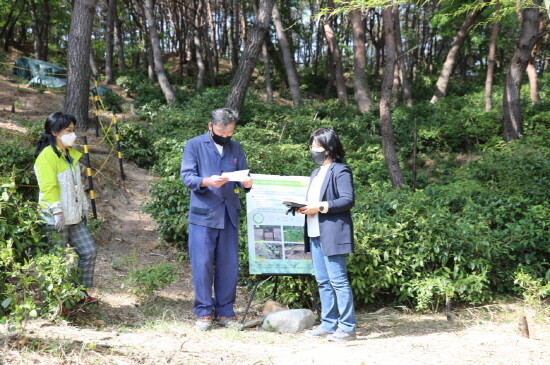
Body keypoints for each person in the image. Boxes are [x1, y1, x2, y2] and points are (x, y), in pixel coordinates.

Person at [180, 108, 253, 331]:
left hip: (229, 214)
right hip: (203, 215)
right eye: (222, 129)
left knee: (228, 265)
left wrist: (247, 183)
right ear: (210, 126)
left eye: (230, 131)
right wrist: (207, 181)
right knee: (202, 264)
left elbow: (243, 176)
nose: (226, 134)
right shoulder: (194, 145)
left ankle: (225, 311)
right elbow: (187, 176)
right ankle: (204, 312)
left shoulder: (236, 147)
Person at [298, 127, 357, 341]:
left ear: (329, 148)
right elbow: (314, 202)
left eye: (316, 146)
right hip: (314, 233)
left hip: (332, 233)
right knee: (323, 281)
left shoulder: (340, 170)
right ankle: (329, 324)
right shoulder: (315, 173)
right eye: (311, 145)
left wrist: (319, 207)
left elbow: (347, 200)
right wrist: (304, 207)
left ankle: (348, 328)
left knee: (338, 281)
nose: (312, 149)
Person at [34, 111, 98, 306]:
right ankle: (56, 302)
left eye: (73, 129)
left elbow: (77, 186)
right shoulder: (47, 156)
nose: (73, 134)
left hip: (75, 217)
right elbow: (48, 187)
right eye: (68, 130)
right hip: (55, 219)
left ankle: (80, 294)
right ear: (55, 132)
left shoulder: (70, 155)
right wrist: (56, 211)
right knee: (57, 261)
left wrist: (84, 208)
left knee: (89, 251)